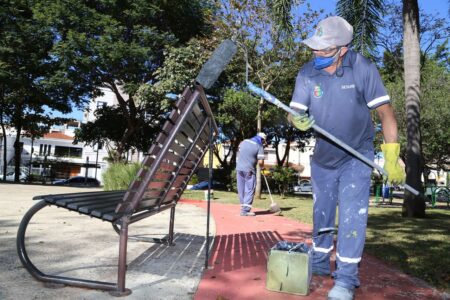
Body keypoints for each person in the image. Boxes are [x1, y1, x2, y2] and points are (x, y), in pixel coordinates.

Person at [288, 16, 405, 300]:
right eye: (314, 48)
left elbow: (385, 113)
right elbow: (292, 113)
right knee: (322, 214)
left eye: (325, 50)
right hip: (323, 158)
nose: (317, 54)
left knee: (353, 216)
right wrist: (296, 120)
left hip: (357, 156)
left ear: (342, 49)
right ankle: (318, 262)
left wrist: (391, 154)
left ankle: (346, 279)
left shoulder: (362, 68)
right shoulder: (306, 73)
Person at [236, 132, 266, 216]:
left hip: (239, 169)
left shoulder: (244, 141)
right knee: (249, 189)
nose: (263, 143)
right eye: (263, 141)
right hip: (249, 170)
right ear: (262, 139)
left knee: (241, 188)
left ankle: (243, 207)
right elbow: (260, 161)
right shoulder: (259, 146)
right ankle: (245, 211)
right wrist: (262, 168)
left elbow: (240, 149)